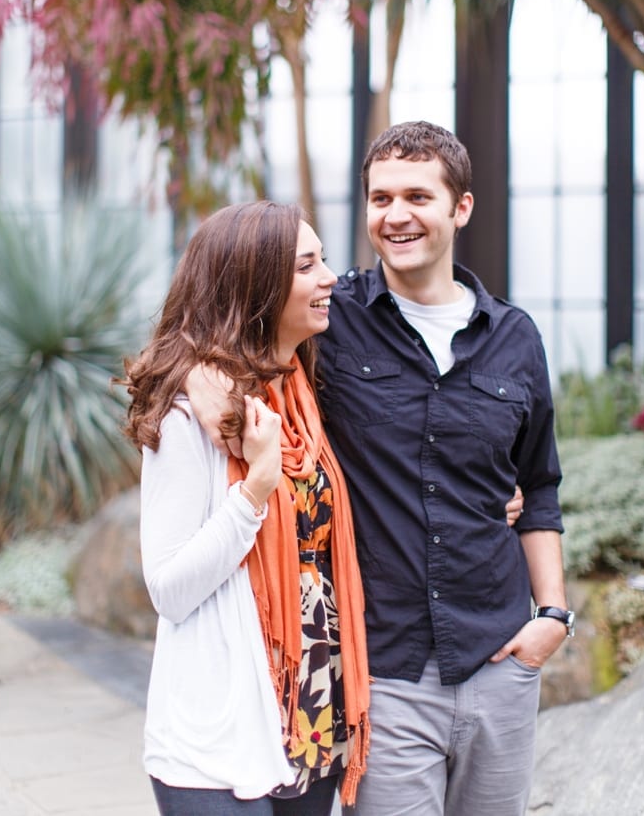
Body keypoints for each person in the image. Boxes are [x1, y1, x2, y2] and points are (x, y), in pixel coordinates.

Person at [189, 121, 570, 816]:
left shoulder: (515, 338)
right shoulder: (332, 322)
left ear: (460, 208)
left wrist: (552, 615)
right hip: (384, 672)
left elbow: (538, 485)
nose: (395, 215)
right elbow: (229, 338)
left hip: (501, 657)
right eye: (379, 197)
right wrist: (198, 383)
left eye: (417, 196)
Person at [121, 201, 370, 816]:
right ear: (256, 285)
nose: (330, 277)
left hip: (310, 713)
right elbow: (171, 588)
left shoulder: (298, 388)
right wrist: (255, 488)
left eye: (325, 260)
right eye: (308, 265)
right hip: (220, 732)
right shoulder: (192, 414)